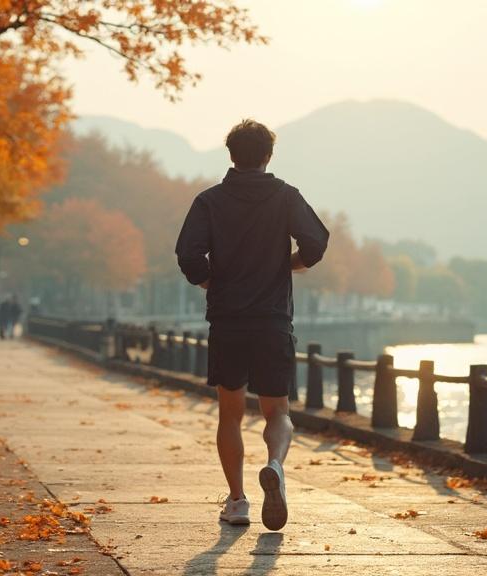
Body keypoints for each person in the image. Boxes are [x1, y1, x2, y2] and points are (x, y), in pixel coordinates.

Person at [175, 119, 329, 531]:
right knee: (277, 411)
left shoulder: (209, 201)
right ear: (268, 156)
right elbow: (316, 241)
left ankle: (238, 501)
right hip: (273, 319)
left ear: (231, 155)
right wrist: (290, 265)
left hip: (228, 320)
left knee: (230, 413)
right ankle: (275, 465)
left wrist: (212, 280)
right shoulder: (285, 197)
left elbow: (188, 255)